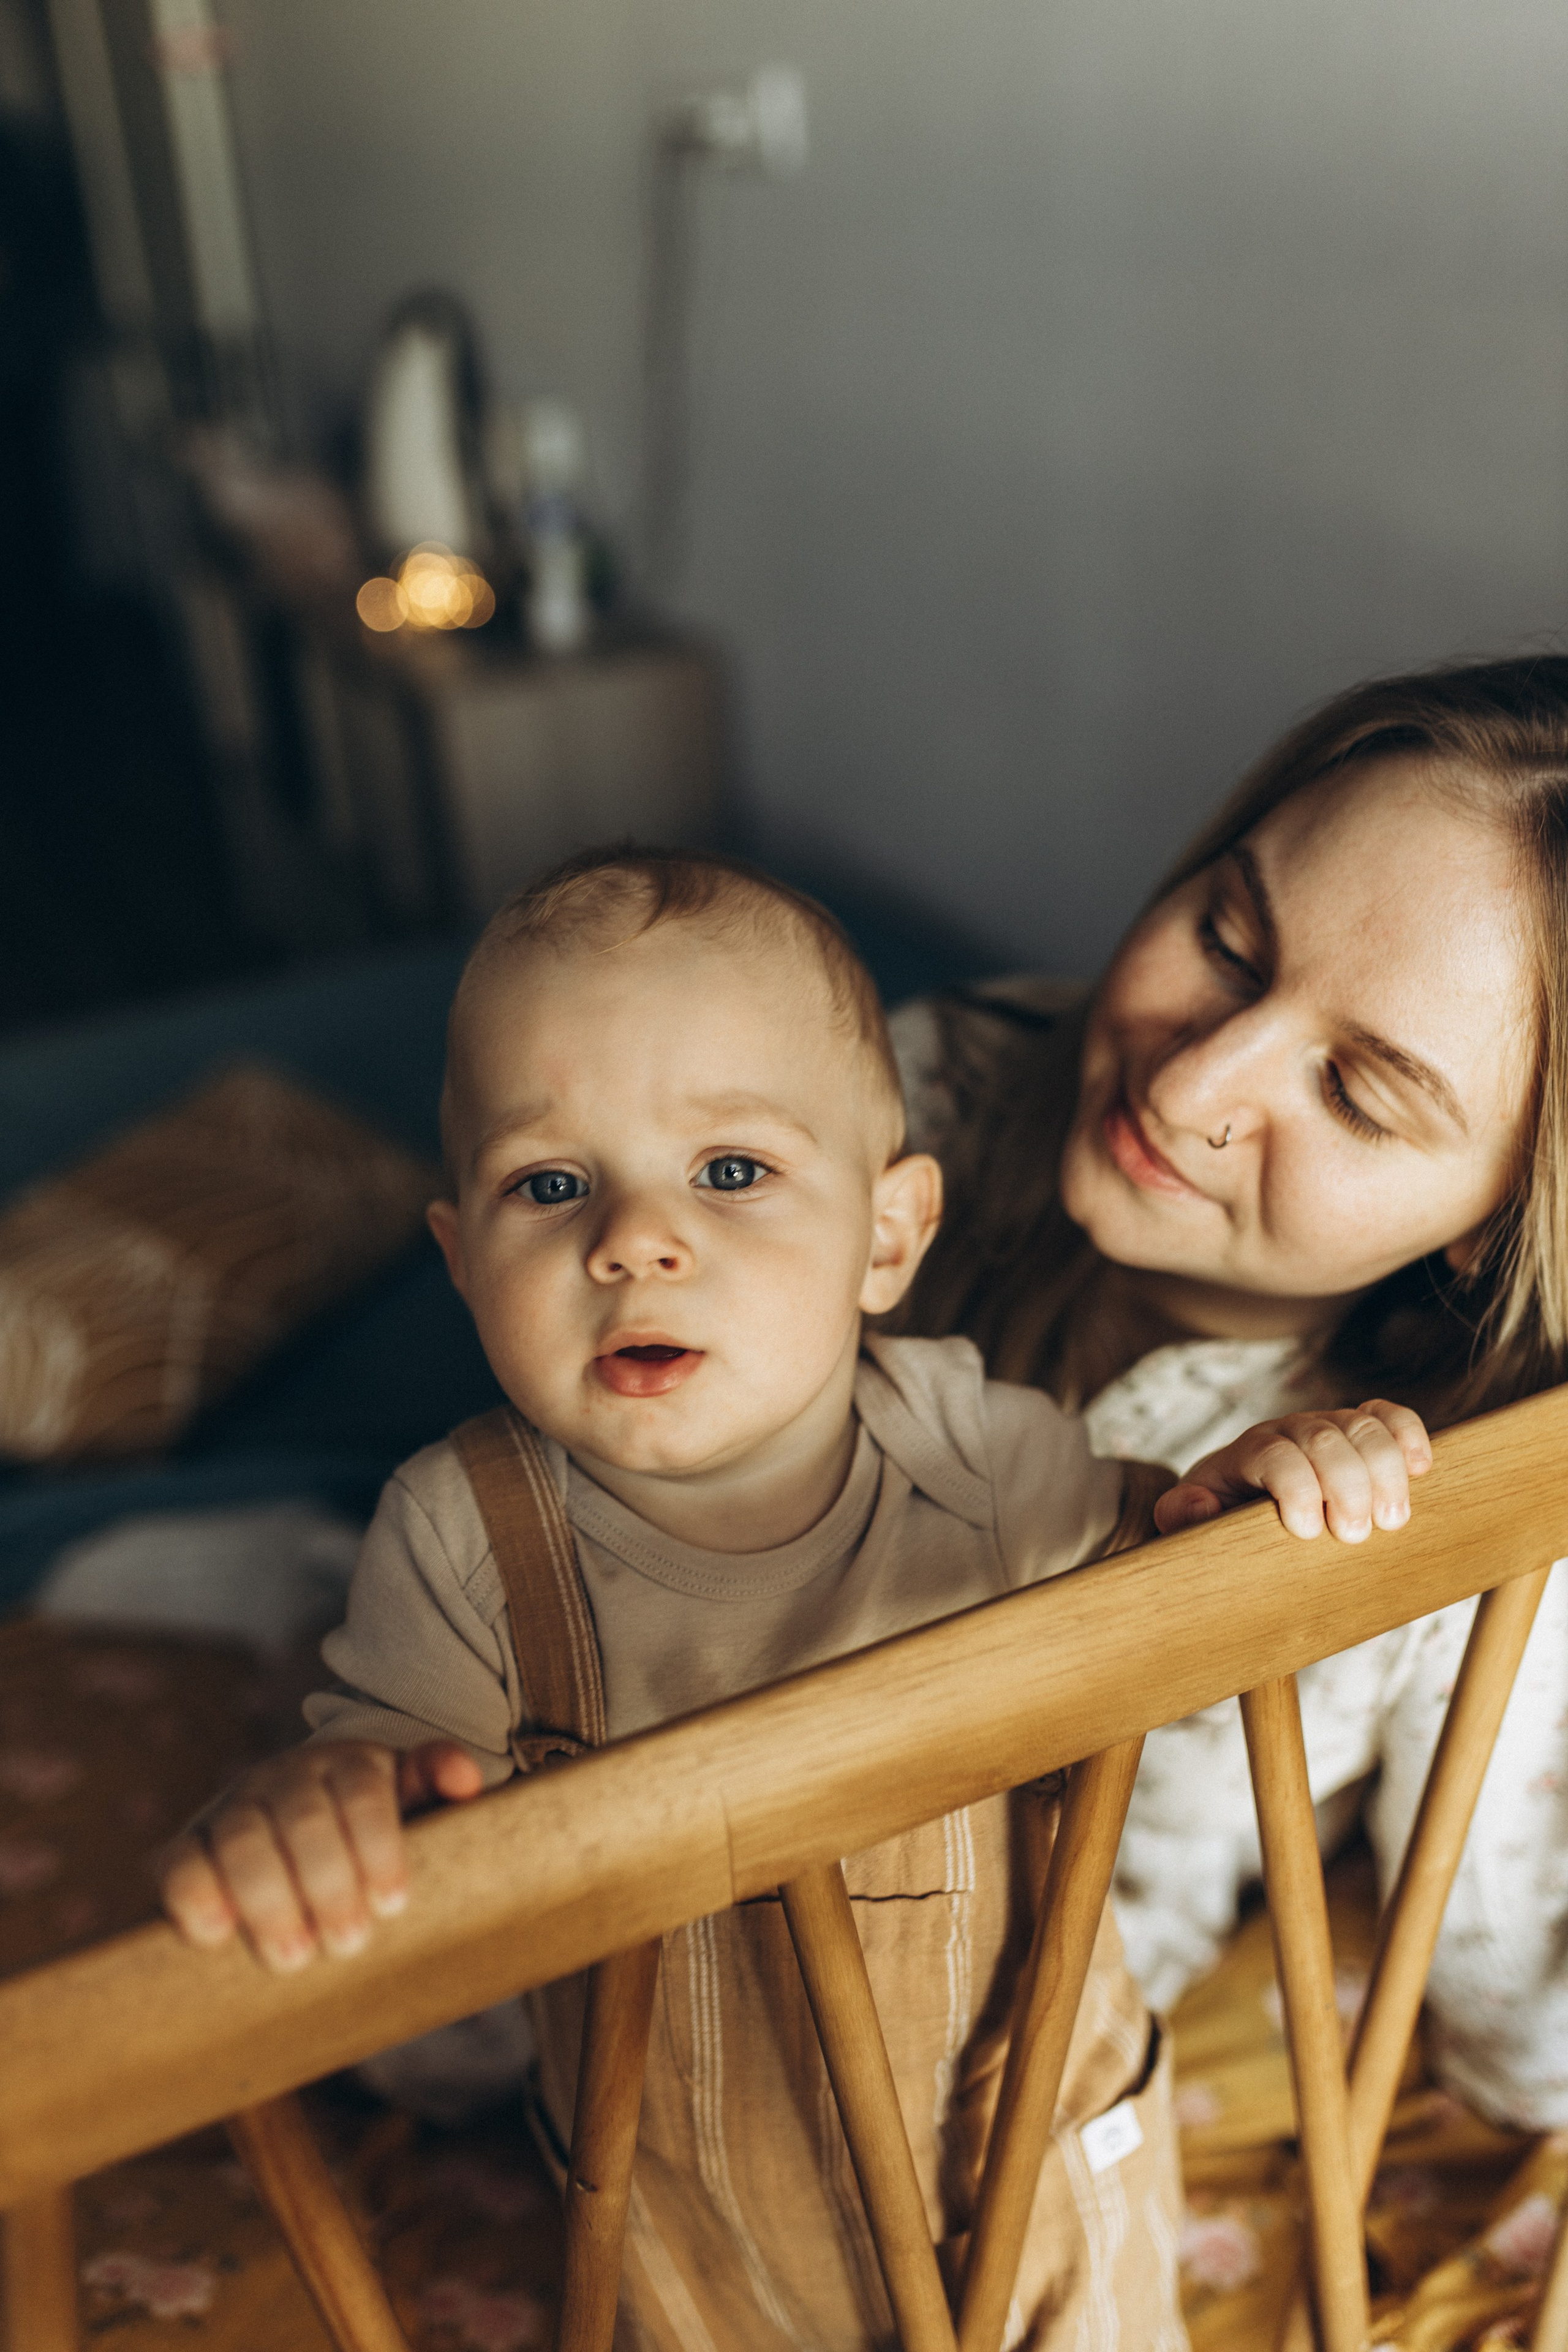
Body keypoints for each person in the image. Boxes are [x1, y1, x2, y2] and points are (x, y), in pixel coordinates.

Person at [157, 846, 1421, 2352]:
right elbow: (384, 1764)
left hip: (1032, 2166)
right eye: (548, 1185)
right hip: (685, 2218)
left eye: (730, 1171)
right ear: (462, 1261)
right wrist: (321, 1803)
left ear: (886, 1238)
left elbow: (1182, 1581)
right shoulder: (464, 1533)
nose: (632, 1240)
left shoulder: (980, 1455)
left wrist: (1266, 1479)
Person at [889, 652, 1568, 2129]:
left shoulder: (1470, 1524)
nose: (1186, 1086)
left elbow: (1515, 2025)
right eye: (1227, 940)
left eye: (1355, 1094)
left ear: (1498, 1216)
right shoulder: (923, 1094)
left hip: (990, 2046)